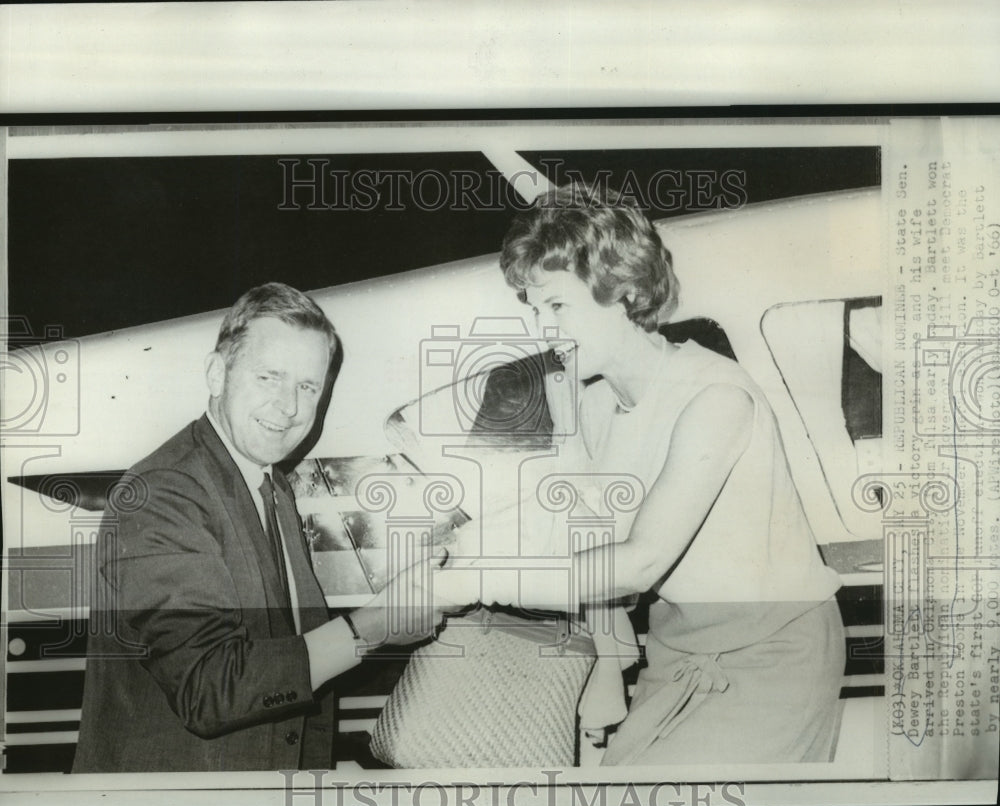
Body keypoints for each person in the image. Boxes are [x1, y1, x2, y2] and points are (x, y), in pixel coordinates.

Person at [438, 183, 846, 764]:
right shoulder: (594, 403)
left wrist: (481, 579)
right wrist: (606, 662)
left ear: (624, 291)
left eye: (557, 306)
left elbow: (641, 560)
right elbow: (592, 542)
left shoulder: (716, 397)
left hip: (774, 651)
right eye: (534, 309)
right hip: (678, 649)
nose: (542, 330)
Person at [73, 283, 453, 773]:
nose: (289, 407)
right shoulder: (163, 493)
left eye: (308, 387)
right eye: (269, 377)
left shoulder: (269, 484)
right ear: (217, 373)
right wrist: (375, 626)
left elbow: (292, 662)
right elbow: (210, 689)